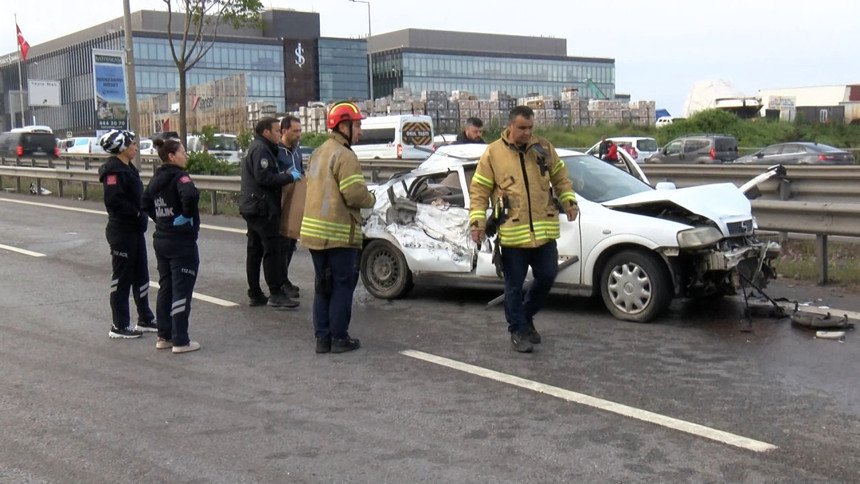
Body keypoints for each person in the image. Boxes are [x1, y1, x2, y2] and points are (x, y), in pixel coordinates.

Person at [468, 106, 578, 353]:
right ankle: (518, 330)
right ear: (510, 126)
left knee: (548, 276)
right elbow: (479, 190)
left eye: (530, 128)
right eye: (522, 128)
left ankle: (525, 317)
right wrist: (477, 223)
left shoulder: (544, 147)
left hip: (544, 233)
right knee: (514, 287)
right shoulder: (493, 153)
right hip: (513, 234)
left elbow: (561, 177)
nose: (528, 133)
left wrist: (569, 201)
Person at [300, 101, 376, 354]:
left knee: (323, 285)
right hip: (338, 234)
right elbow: (355, 195)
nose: (360, 131)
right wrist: (372, 199)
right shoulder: (345, 155)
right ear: (344, 126)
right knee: (343, 286)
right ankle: (339, 338)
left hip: (314, 234)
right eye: (358, 125)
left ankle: (322, 339)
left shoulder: (319, 151)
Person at [141, 138, 202, 354]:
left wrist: (160, 219)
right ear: (171, 156)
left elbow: (145, 202)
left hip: (162, 239)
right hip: (181, 241)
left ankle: (164, 335)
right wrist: (186, 215)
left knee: (166, 288)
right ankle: (180, 340)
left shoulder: (156, 179)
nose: (185, 155)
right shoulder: (180, 177)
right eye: (183, 152)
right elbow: (191, 194)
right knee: (181, 290)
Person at [97, 129, 157, 339]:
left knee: (141, 275)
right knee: (122, 278)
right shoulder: (113, 172)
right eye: (132, 143)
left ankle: (145, 318)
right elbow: (114, 202)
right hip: (121, 231)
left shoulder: (128, 168)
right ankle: (119, 324)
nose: (135, 147)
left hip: (135, 231)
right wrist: (136, 212)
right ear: (121, 147)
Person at [239, 117, 301, 309]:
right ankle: (275, 292)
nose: (278, 134)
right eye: (276, 131)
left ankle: (255, 293)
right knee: (272, 250)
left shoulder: (261, 147)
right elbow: (264, 177)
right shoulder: (261, 149)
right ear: (266, 132)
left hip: (254, 206)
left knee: (255, 250)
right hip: (262, 208)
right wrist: (288, 177)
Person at [276, 115, 304, 299]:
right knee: (281, 244)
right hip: (280, 201)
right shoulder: (276, 150)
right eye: (295, 131)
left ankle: (284, 278)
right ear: (284, 131)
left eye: (300, 131)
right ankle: (280, 281)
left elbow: (301, 170)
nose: (298, 135)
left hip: (296, 201)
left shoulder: (297, 150)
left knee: (291, 242)